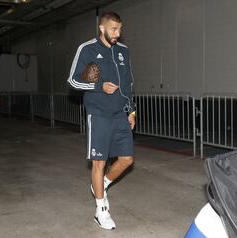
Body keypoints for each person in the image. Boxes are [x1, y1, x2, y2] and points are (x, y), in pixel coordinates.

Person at [67, 12, 136, 230]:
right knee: (99, 162)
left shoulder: (123, 51)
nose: (118, 33)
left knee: (127, 159)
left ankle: (102, 184)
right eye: (113, 29)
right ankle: (101, 210)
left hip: (119, 113)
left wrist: (131, 111)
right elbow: (72, 80)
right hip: (98, 113)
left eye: (120, 29)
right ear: (102, 28)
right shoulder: (87, 49)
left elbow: (128, 83)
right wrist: (99, 86)